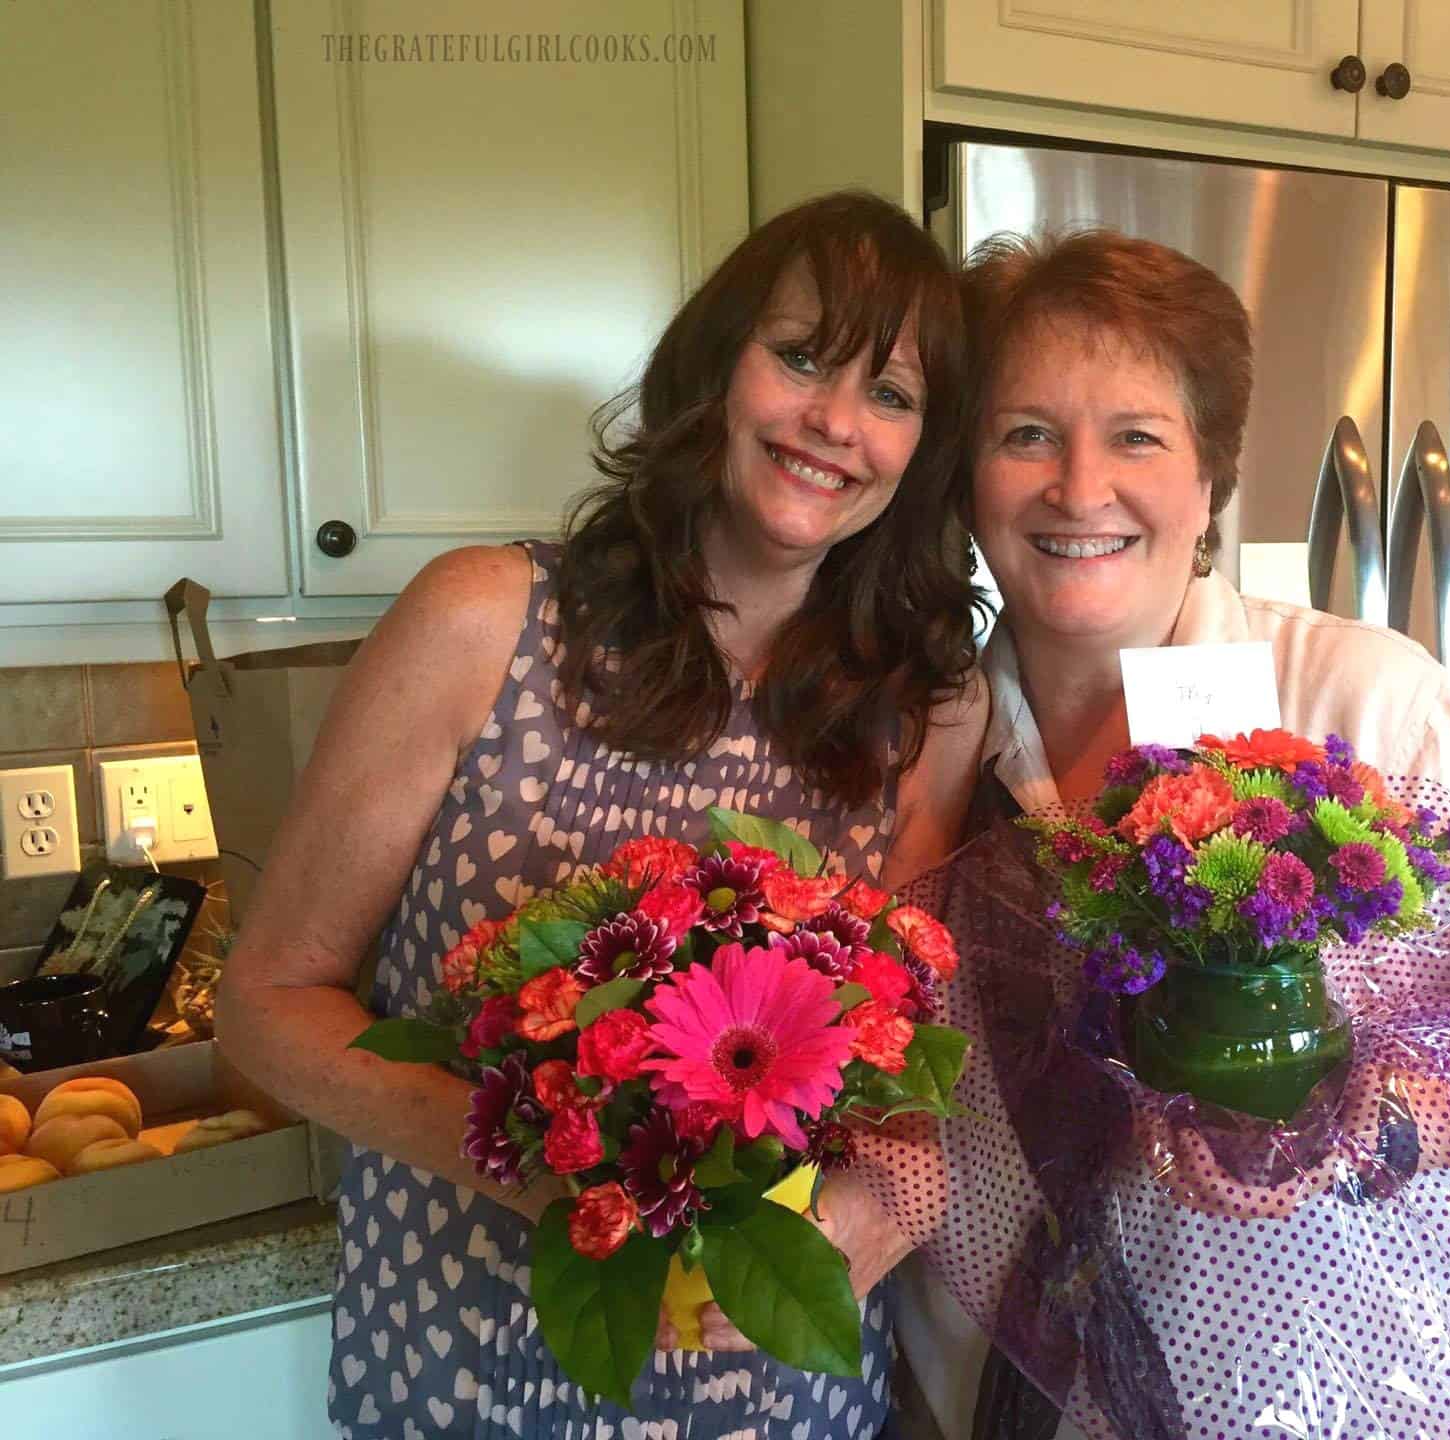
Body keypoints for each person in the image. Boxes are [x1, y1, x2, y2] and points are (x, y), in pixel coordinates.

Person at [217, 190, 985, 1439]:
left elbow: (916, 1062)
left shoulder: (921, 712)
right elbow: (263, 1004)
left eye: (892, 396)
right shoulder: (484, 622)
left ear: (922, 451)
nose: (836, 423)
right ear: (710, 366)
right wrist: (542, 1157)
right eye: (798, 356)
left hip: (784, 1398)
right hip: (469, 1369)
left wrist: (889, 1195)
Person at [891, 228, 1450, 1439]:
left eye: (1137, 436)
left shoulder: (1370, 707)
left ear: (1211, 479)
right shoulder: (917, 739)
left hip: (1330, 1400)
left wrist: (1376, 1129)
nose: (1079, 489)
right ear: (965, 474)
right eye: (1026, 434)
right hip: (990, 1394)